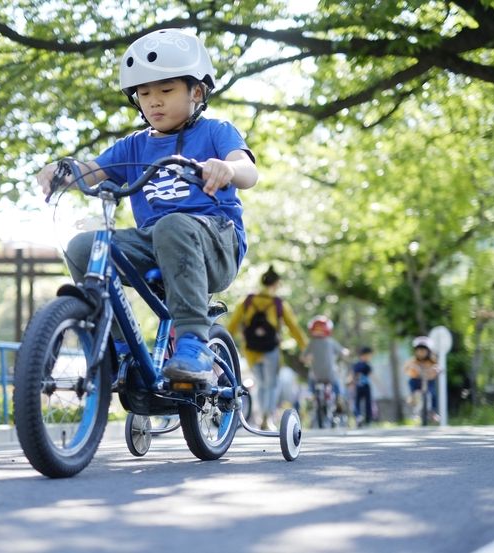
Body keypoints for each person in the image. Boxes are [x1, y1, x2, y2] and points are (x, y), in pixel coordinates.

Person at [36, 29, 258, 385]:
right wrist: (62, 171)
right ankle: (118, 349)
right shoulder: (134, 146)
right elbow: (90, 172)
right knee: (84, 247)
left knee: (173, 224)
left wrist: (228, 168)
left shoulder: (216, 131)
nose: (154, 101)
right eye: (144, 93)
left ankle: (194, 343)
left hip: (215, 244)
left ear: (197, 92)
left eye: (166, 91)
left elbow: (248, 170)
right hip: (154, 243)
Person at [227, 266, 308, 430]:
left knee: (261, 384)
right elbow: (294, 327)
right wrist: (305, 347)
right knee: (271, 384)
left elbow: (232, 325)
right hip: (271, 350)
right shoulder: (278, 303)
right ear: (276, 284)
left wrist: (223, 343)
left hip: (251, 351)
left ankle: (261, 416)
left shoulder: (247, 301)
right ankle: (267, 417)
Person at [302, 316, 348, 427]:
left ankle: (312, 394)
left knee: (311, 377)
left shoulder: (311, 343)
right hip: (330, 373)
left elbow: (303, 357)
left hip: (316, 375)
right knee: (337, 382)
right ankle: (339, 398)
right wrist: (346, 353)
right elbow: (343, 352)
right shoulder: (330, 341)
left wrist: (308, 359)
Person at [403, 336, 441, 422]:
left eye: (423, 351)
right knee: (411, 383)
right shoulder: (413, 361)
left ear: (428, 352)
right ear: (415, 352)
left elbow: (438, 367)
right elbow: (406, 368)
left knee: (433, 394)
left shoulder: (432, 361)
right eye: (419, 351)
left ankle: (433, 412)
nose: (421, 353)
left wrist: (437, 369)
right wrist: (410, 367)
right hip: (416, 380)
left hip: (429, 380)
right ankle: (413, 402)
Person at [352, 346, 374, 426]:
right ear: (363, 355)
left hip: (365, 386)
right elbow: (354, 376)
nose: (369, 357)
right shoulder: (358, 365)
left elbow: (371, 376)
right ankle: (359, 417)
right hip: (359, 386)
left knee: (367, 402)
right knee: (357, 402)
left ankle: (367, 419)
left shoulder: (366, 365)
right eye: (369, 355)